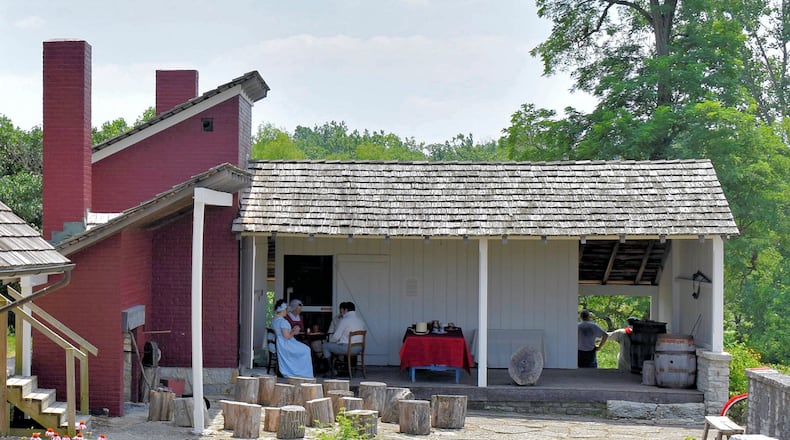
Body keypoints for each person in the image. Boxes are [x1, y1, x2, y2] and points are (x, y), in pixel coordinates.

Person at [271, 299, 314, 378]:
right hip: (285, 344)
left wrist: (292, 330)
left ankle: (299, 370)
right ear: (283, 310)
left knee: (305, 348)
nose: (287, 311)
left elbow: (283, 333)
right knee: (306, 349)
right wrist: (294, 332)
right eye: (286, 309)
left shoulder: (275, 320)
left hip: (280, 343)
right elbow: (287, 336)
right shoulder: (282, 322)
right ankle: (302, 372)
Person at [322, 301, 365, 377]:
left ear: (345, 310)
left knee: (326, 346)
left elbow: (336, 336)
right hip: (359, 348)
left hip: (348, 348)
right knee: (335, 346)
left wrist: (330, 342)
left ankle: (331, 370)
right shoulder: (360, 320)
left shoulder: (345, 320)